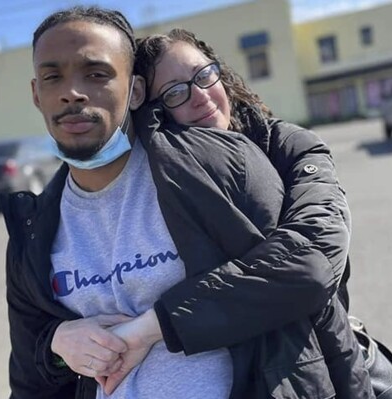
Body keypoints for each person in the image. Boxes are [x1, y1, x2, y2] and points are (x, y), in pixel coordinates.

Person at [1, 6, 372, 399]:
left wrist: (154, 326)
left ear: (134, 91)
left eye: (96, 73)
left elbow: (306, 275)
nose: (71, 92)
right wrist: (57, 344)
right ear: (36, 93)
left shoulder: (242, 163)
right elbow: (32, 377)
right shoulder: (32, 230)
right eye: (175, 92)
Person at [133, 28, 371, 397]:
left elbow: (313, 259)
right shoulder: (157, 185)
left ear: (221, 74)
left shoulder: (291, 147)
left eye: (203, 74)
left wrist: (159, 324)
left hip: (328, 362)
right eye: (176, 92)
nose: (200, 96)